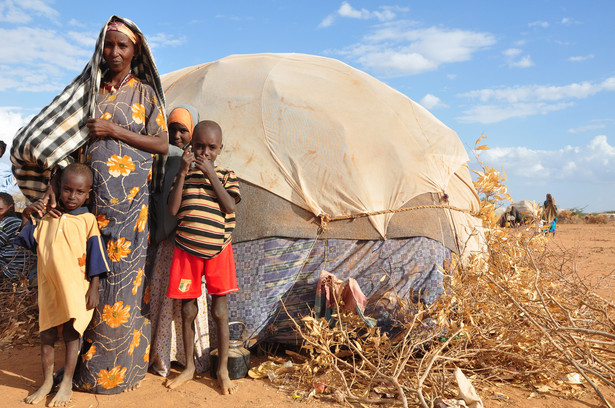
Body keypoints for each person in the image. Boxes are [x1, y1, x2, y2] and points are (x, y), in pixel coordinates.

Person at [11, 16, 168, 394]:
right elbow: (62, 146)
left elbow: (161, 144)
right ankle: (76, 373)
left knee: (123, 290)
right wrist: (53, 184)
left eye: (123, 46)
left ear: (136, 51)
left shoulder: (145, 94)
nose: (115, 52)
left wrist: (114, 130)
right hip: (88, 211)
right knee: (84, 289)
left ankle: (122, 373)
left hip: (133, 212)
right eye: (109, 45)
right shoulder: (88, 93)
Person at [15, 163, 110, 406]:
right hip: (49, 288)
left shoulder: (88, 220)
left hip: (77, 289)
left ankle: (66, 382)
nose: (72, 196)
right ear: (59, 188)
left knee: (71, 333)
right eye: (68, 190)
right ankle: (47, 381)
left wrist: (94, 287)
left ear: (88, 194)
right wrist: (28, 214)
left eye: (80, 192)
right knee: (46, 333)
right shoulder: (46, 218)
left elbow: (96, 256)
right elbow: (26, 240)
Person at [165, 120, 240, 394]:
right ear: (190, 146)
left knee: (220, 311)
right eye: (198, 146)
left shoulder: (228, 175)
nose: (204, 152)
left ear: (220, 148)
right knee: (187, 310)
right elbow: (173, 211)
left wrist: (212, 175)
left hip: (218, 250)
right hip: (187, 250)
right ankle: (189, 367)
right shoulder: (182, 175)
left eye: (211, 148)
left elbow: (229, 205)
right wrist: (183, 172)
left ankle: (221, 370)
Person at [148, 105, 212, 377]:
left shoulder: (201, 162)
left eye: (182, 130)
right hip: (167, 242)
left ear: (193, 132)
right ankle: (165, 354)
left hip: (190, 240)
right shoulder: (162, 159)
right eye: (171, 129)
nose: (176, 135)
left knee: (188, 299)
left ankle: (189, 355)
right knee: (167, 296)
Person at [0, 192, 35, 279]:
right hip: (18, 273)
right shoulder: (19, 222)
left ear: (10, 208)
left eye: (0, 209)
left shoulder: (9, 222)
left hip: (8, 272)